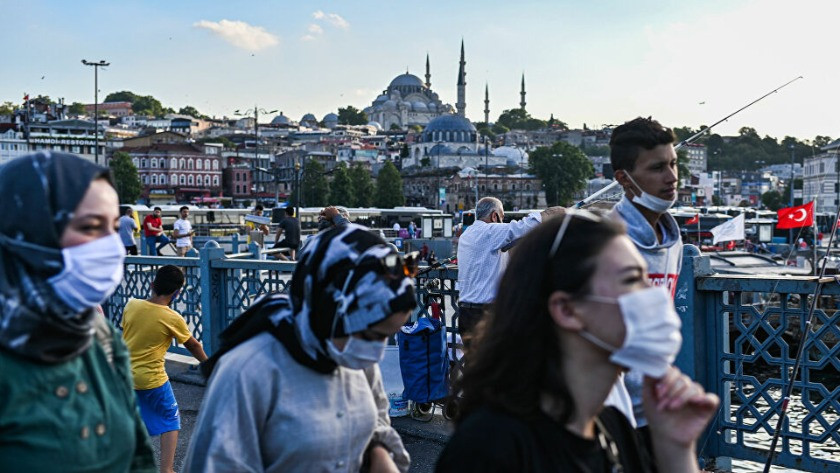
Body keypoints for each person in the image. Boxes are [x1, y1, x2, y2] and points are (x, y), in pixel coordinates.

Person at [436, 212, 719, 472]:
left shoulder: (614, 426)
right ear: (567, 310)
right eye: (632, 279)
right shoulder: (490, 449)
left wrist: (676, 449)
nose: (652, 294)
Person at [184, 224, 416, 472]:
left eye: (387, 337)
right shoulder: (249, 370)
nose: (377, 352)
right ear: (329, 311)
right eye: (372, 335)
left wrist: (377, 452)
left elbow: (378, 417)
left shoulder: (350, 352)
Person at [0, 152, 155, 471]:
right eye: (90, 226)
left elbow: (138, 457)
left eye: (113, 227)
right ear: (30, 231)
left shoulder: (100, 335)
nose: (111, 247)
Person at [609, 117, 684, 432]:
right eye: (657, 168)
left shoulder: (674, 240)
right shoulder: (607, 242)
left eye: (673, 164)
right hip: (615, 417)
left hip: (658, 408)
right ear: (624, 179)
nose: (671, 177)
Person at [122, 264, 208, 473]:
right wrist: (209, 367)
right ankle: (167, 469)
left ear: (152, 284)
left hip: (124, 376)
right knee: (170, 418)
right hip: (152, 379)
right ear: (177, 293)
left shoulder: (131, 305)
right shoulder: (171, 318)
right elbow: (193, 345)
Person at [456, 197, 563, 346]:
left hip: (465, 313)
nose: (503, 221)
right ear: (494, 216)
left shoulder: (468, 234)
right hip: (485, 315)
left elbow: (503, 248)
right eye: (502, 217)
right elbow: (524, 226)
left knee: (477, 365)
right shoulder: (489, 231)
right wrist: (552, 213)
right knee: (495, 364)